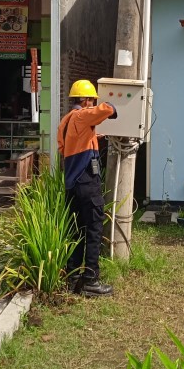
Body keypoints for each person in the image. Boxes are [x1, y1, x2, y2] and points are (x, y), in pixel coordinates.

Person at [57, 79, 117, 296]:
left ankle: (73, 277)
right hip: (86, 182)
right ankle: (91, 280)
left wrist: (93, 136)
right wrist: (113, 106)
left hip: (71, 184)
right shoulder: (82, 115)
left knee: (77, 230)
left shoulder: (66, 121)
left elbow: (66, 147)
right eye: (91, 100)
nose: (93, 104)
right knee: (93, 229)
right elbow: (107, 109)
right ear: (85, 100)